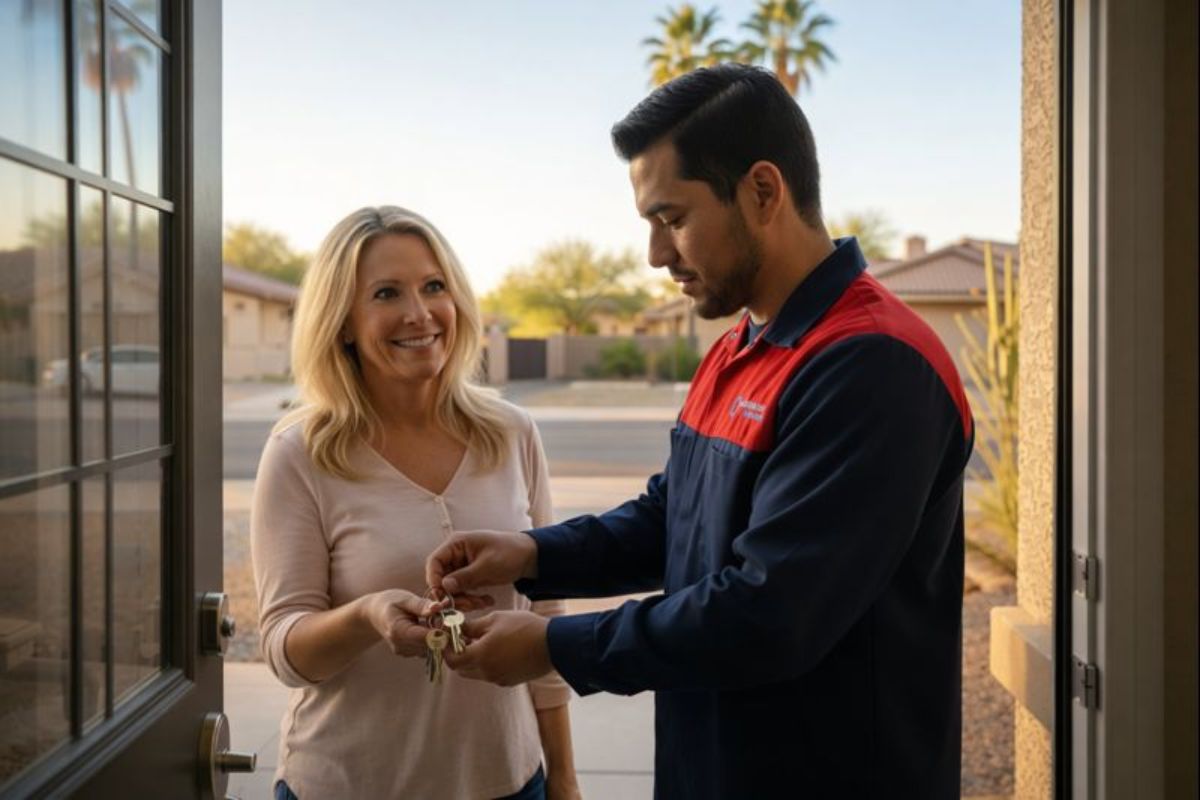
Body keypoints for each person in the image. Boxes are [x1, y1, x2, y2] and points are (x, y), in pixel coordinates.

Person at [427, 64, 974, 799]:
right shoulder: (738, 346)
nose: (657, 255)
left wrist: (556, 645)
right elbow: (672, 516)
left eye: (672, 219)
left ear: (762, 191)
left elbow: (771, 613)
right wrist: (529, 557)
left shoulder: (873, 363)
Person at [251, 206, 581, 800]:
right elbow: (283, 650)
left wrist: (563, 778)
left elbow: (545, 618)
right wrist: (367, 616)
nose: (419, 313)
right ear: (344, 322)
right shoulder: (301, 452)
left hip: (510, 783)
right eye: (386, 293)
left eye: (434, 286)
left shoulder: (511, 432)